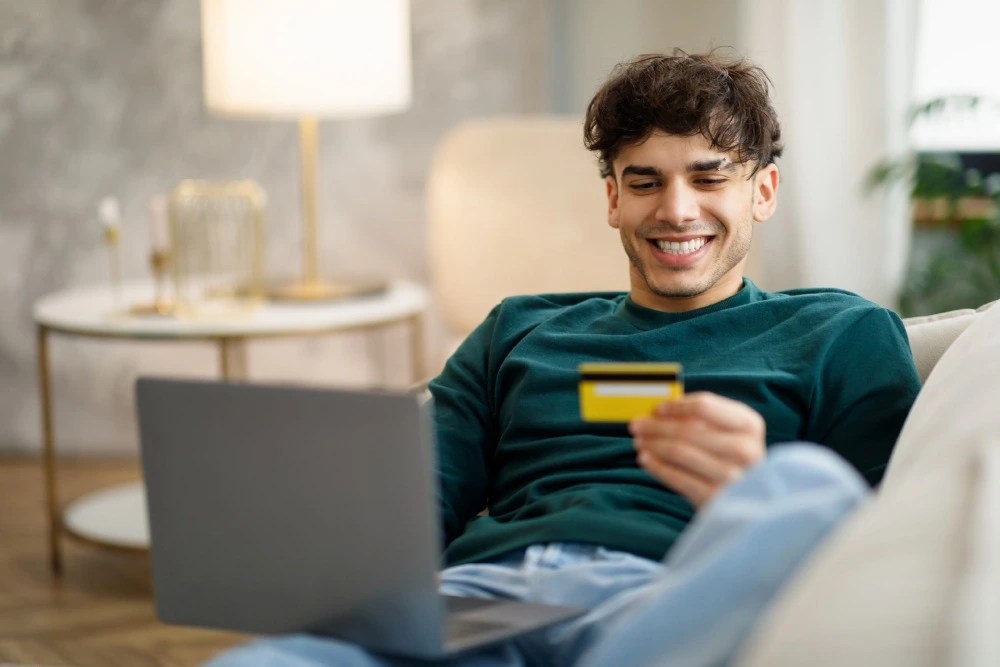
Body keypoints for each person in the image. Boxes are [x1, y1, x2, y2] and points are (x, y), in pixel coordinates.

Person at [208, 50, 921, 666]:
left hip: (664, 601)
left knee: (814, 489)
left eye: (709, 178)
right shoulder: (519, 328)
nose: (676, 209)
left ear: (762, 192)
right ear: (613, 198)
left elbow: (891, 554)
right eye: (645, 181)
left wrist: (754, 486)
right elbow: (413, 507)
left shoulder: (841, 331)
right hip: (482, 603)